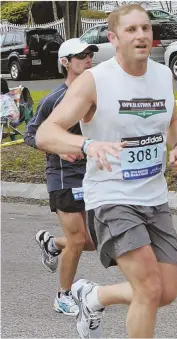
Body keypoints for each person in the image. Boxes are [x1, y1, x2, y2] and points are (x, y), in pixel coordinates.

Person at [34, 4, 177, 338]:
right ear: (113, 38)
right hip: (111, 197)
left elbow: (174, 119)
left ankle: (95, 296)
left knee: (166, 292)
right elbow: (47, 133)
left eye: (146, 28)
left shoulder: (163, 76)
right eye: (131, 30)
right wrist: (88, 146)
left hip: (154, 197)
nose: (141, 36)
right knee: (148, 288)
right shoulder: (95, 81)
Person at [23, 38, 98, 317]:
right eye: (81, 55)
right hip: (63, 177)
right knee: (78, 240)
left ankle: (52, 243)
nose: (88, 58)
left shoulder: (96, 93)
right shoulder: (54, 99)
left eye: (90, 54)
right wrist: (61, 149)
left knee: (94, 242)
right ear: (66, 62)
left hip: (93, 175)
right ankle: (63, 296)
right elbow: (31, 135)